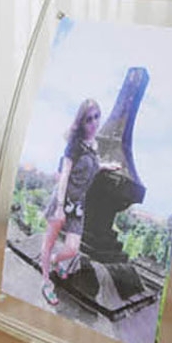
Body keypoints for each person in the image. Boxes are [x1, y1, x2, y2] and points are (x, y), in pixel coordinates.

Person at [40, 99, 119, 305]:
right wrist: (59, 207)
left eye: (96, 117)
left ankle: (53, 261)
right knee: (49, 243)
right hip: (62, 200)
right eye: (88, 119)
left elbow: (91, 166)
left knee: (72, 249)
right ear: (81, 122)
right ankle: (46, 282)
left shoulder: (93, 146)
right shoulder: (74, 145)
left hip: (77, 206)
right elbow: (65, 175)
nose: (94, 123)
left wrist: (105, 166)